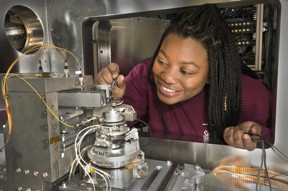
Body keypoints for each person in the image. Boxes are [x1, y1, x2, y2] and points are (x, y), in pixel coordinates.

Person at [95, 4, 272, 151]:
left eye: (186, 71)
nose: (168, 77)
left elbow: (273, 146)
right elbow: (115, 126)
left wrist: (251, 139)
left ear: (212, 74)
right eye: (162, 60)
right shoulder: (144, 76)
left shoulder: (250, 95)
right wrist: (110, 99)